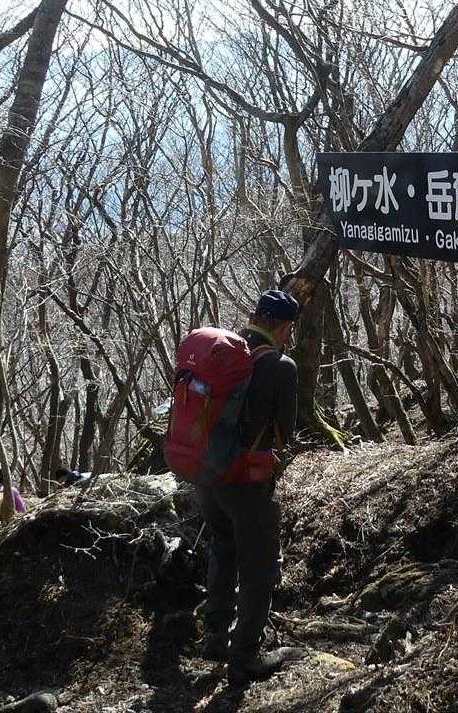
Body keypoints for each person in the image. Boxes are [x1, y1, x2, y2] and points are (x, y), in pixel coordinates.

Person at [195, 288, 299, 683]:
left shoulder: (221, 353)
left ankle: (216, 637)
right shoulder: (280, 366)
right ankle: (246, 656)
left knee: (222, 547)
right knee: (259, 566)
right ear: (284, 326)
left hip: (206, 475)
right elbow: (285, 433)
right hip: (246, 480)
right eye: (289, 328)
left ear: (255, 316)